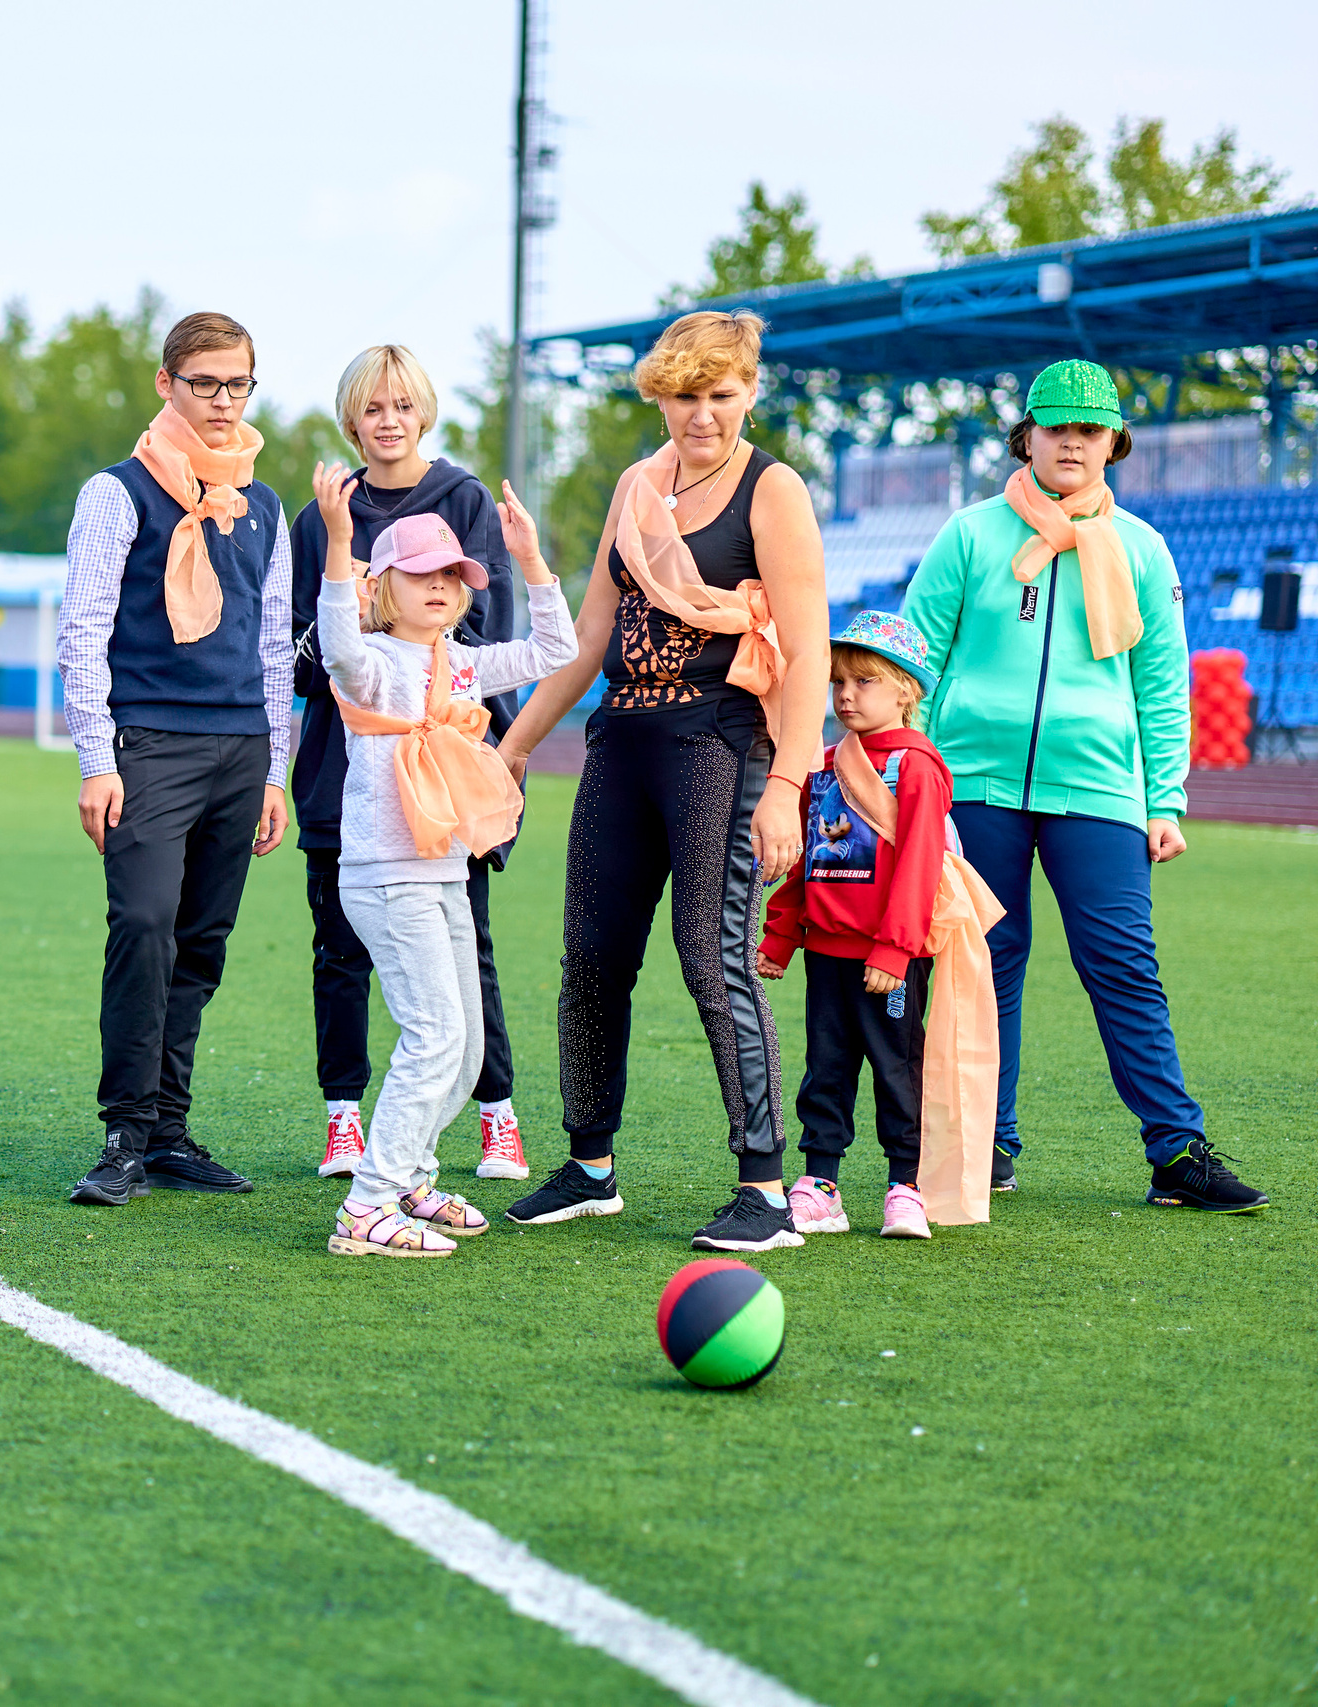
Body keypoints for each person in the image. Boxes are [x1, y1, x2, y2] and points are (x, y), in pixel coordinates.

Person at [492, 310, 831, 1253]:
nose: (702, 416)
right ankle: (590, 1166)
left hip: (720, 742)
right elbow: (590, 634)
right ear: (660, 397)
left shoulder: (774, 490)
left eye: (720, 395)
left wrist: (789, 786)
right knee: (591, 958)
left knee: (710, 957)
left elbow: (805, 655)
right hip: (623, 739)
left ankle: (765, 1188)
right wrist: (514, 745)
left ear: (749, 391)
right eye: (685, 397)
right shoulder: (637, 486)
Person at [900, 359, 1267, 1213]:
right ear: (1025, 434)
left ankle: (1175, 1152)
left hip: (1102, 787)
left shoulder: (1142, 548)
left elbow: (1163, 682)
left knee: (1123, 963)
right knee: (982, 962)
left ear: (1113, 443)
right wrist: (904, 770)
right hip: (971, 784)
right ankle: (984, 1144)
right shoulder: (969, 534)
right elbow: (912, 656)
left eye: (1089, 428)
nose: (1071, 440)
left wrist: (1164, 798)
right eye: (1056, 425)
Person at [59, 310, 293, 1207]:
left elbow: (274, 642)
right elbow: (82, 630)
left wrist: (272, 770)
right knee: (145, 926)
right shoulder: (116, 492)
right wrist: (95, 757)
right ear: (167, 385)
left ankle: (168, 1129)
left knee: (202, 941)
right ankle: (123, 1132)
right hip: (148, 744)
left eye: (238, 383)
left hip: (241, 747)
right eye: (205, 383)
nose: (223, 400)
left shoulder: (262, 504)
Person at [310, 464, 575, 1256]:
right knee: (433, 1035)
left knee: (464, 1045)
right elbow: (335, 638)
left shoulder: (463, 662)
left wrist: (531, 561)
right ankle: (366, 1204)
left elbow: (556, 647)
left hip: (443, 873)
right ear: (384, 586)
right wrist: (337, 544)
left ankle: (411, 1176)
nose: (438, 586)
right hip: (387, 876)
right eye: (419, 573)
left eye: (451, 575)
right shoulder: (371, 659)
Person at [289, 345, 527, 1185]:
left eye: (401, 406)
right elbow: (303, 656)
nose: (387, 422)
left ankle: (495, 1115)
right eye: (371, 408)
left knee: (470, 944)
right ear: (351, 420)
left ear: (422, 411)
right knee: (339, 945)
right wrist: (351, 619)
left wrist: (485, 752)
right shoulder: (323, 513)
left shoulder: (462, 497)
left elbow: (483, 639)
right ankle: (344, 1121)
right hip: (347, 755)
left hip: (447, 760)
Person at [757, 614, 962, 1239]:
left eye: (865, 681)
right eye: (838, 682)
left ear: (906, 690)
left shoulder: (917, 767)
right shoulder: (822, 763)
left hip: (888, 955)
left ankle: (906, 1186)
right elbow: (804, 859)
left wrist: (895, 950)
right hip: (828, 951)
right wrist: (782, 934)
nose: (846, 695)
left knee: (897, 1067)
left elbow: (922, 864)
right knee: (827, 1066)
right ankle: (822, 1184)